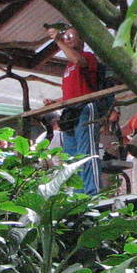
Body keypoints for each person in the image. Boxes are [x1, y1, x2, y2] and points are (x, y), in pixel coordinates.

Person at [44, 23, 100, 194]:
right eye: (65, 37)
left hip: (84, 108)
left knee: (86, 152)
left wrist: (58, 41)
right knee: (71, 155)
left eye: (70, 36)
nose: (66, 39)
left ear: (81, 40)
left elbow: (78, 60)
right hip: (70, 111)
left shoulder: (87, 57)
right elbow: (72, 93)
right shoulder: (67, 68)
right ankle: (77, 194)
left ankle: (91, 193)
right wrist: (56, 101)